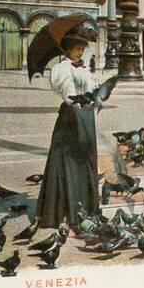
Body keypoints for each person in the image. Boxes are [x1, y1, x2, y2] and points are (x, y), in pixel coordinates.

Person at [36, 26, 100, 228]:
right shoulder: (61, 69)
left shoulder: (83, 69)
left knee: (85, 161)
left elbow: (93, 88)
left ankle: (84, 208)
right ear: (67, 49)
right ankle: (64, 212)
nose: (80, 51)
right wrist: (82, 102)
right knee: (67, 164)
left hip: (86, 116)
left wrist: (94, 99)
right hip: (71, 118)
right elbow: (68, 93)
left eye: (82, 47)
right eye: (77, 47)